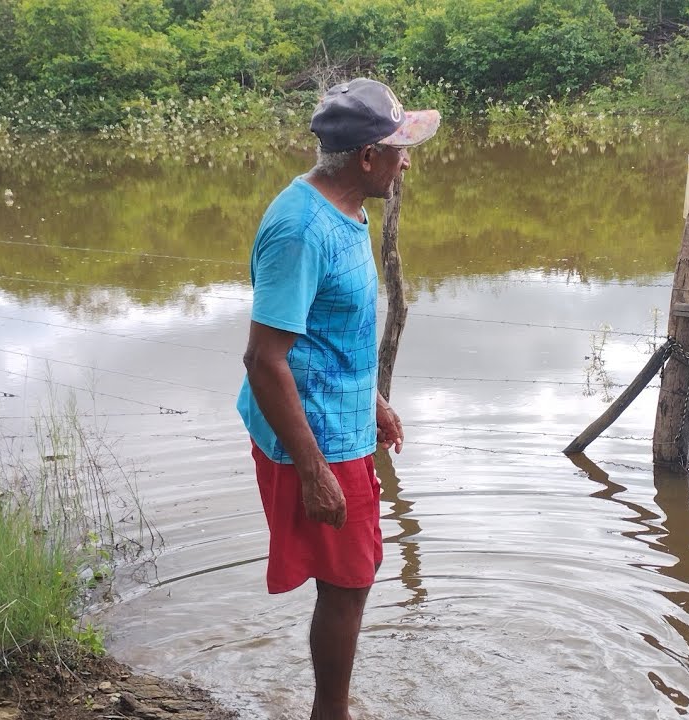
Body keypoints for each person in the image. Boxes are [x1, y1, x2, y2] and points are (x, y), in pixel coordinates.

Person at [237, 78, 439, 720]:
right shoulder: (300, 230)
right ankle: (333, 714)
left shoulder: (349, 211)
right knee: (349, 583)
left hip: (341, 421)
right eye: (399, 148)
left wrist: (374, 399)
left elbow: (331, 330)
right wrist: (314, 470)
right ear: (366, 158)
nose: (408, 159)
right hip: (314, 438)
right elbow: (264, 361)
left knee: (352, 574)